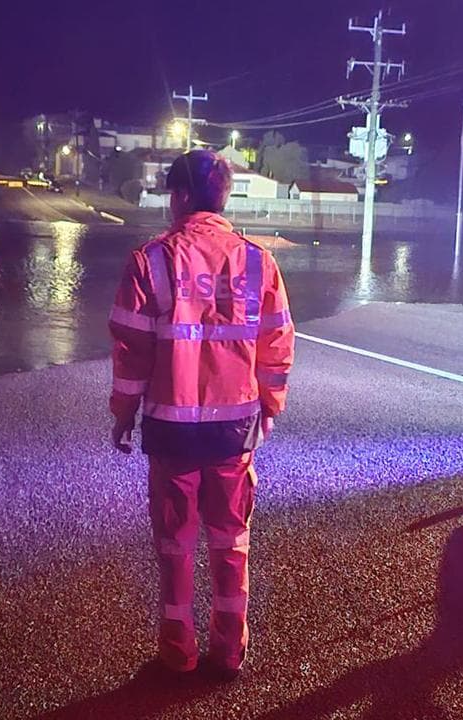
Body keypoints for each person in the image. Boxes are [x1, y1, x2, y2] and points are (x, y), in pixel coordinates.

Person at [108, 149, 295, 682]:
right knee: (231, 540)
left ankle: (178, 652)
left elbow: (131, 350)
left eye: (172, 192)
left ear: (183, 196)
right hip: (234, 430)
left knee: (174, 545)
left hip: (171, 429)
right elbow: (277, 342)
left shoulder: (151, 260)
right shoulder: (259, 261)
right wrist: (270, 406)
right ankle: (229, 651)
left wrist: (123, 413)